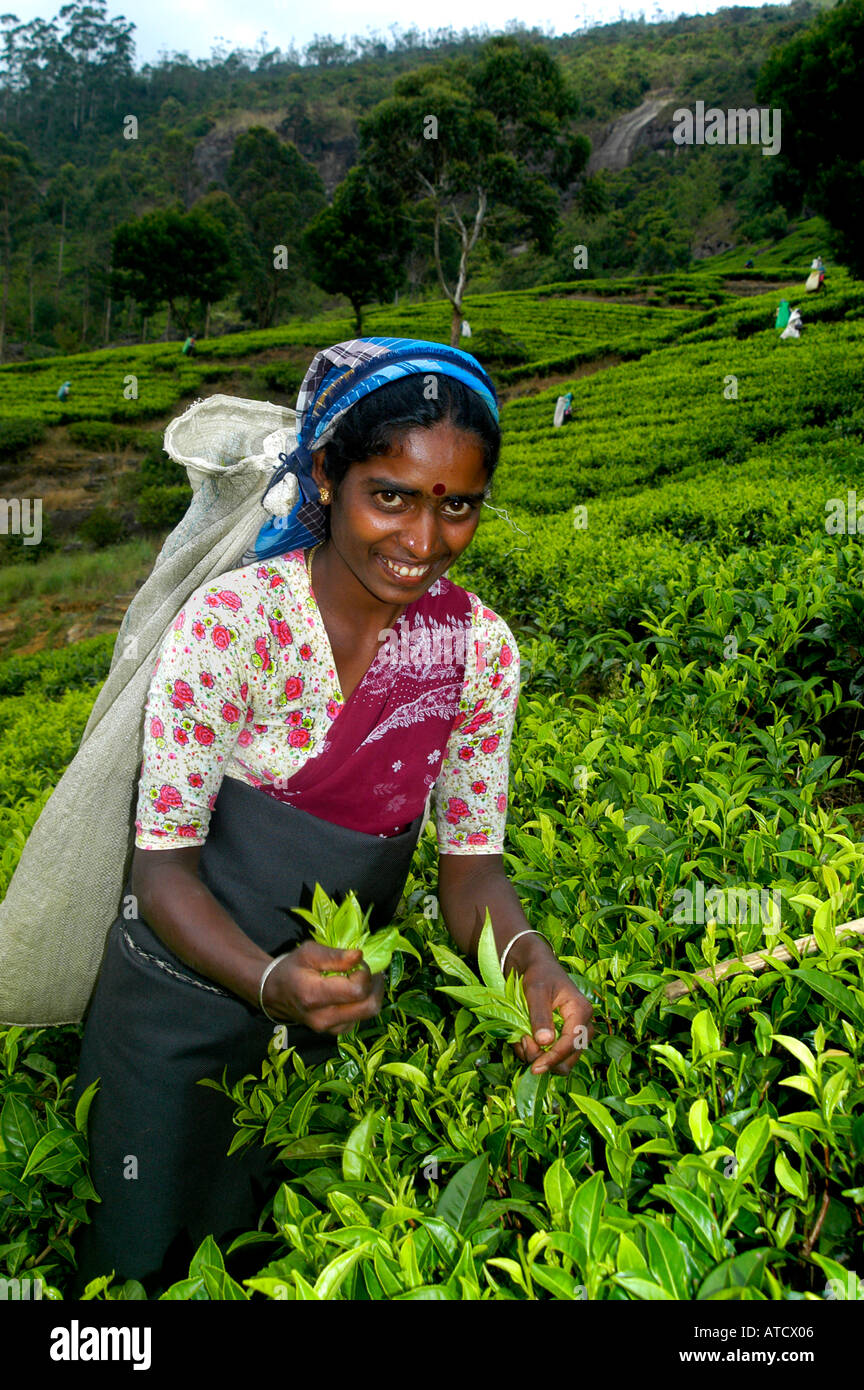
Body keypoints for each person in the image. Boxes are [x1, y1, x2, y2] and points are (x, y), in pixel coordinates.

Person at [68, 337, 594, 1296]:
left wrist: (532, 967)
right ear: (326, 475)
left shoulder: (478, 653)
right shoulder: (235, 628)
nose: (423, 542)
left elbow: (471, 873)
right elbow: (163, 873)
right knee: (133, 1272)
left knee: (283, 1252)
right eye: (389, 494)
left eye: (458, 505)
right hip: (171, 1009)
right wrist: (269, 979)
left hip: (321, 1023)